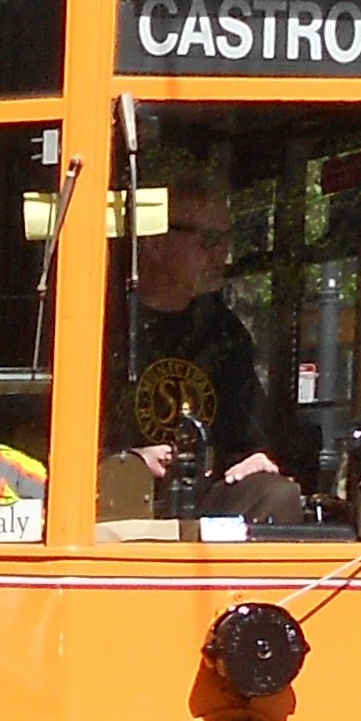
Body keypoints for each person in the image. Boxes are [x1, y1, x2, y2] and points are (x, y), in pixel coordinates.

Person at [103, 149, 305, 525]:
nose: (224, 256)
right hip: (111, 508)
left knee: (277, 495)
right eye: (209, 241)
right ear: (156, 243)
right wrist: (131, 461)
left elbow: (245, 440)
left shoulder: (225, 335)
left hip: (203, 505)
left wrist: (253, 460)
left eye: (226, 239)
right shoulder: (102, 325)